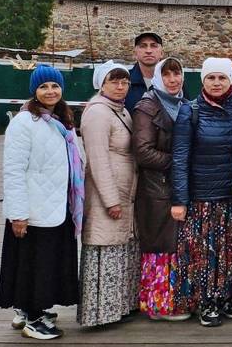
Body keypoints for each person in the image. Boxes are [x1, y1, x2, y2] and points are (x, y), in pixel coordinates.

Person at [171, 57, 232, 327]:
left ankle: (227, 295)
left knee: (231, 249)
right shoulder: (191, 110)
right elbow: (180, 157)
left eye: (222, 78)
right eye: (211, 78)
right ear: (203, 81)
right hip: (203, 196)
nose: (217, 83)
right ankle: (206, 301)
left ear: (230, 80)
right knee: (205, 253)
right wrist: (179, 200)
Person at [0, 66, 82, 340]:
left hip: (56, 205)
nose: (50, 91)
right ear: (34, 90)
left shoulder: (60, 120)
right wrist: (18, 214)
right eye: (44, 86)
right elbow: (13, 170)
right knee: (34, 264)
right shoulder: (24, 122)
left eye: (55, 86)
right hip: (33, 209)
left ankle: (31, 309)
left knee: (45, 263)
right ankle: (32, 319)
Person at [78, 61, 140, 327]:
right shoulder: (98, 113)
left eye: (124, 81)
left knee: (119, 249)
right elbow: (98, 159)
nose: (120, 86)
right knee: (105, 250)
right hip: (109, 196)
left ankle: (117, 308)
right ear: (101, 84)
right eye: (114, 81)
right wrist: (111, 200)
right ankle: (100, 312)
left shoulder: (121, 111)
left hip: (125, 192)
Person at [132, 57, 191, 321]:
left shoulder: (183, 104)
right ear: (158, 78)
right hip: (157, 188)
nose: (173, 79)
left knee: (174, 247)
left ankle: (171, 300)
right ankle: (158, 305)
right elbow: (143, 152)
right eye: (166, 75)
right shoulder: (148, 106)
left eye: (176, 73)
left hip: (174, 186)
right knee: (160, 248)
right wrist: (178, 161)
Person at [125, 32, 164, 112]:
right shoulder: (124, 81)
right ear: (135, 53)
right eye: (143, 46)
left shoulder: (173, 81)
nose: (148, 51)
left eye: (153, 46)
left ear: (162, 53)